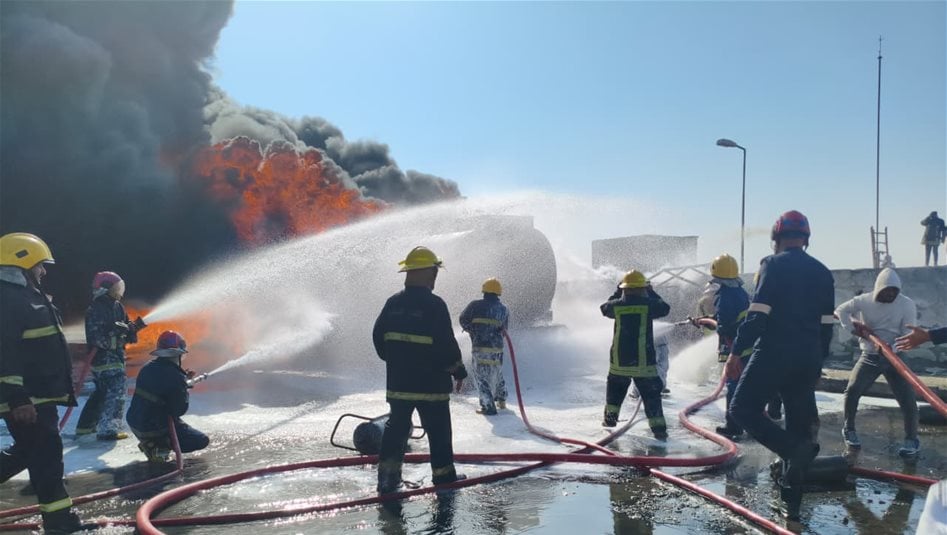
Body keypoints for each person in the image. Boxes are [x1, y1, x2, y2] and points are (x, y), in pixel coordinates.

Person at [726, 210, 835, 521]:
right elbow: (827, 323)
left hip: (774, 351)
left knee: (742, 408)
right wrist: (818, 361)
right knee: (799, 426)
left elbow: (758, 313)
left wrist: (737, 353)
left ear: (776, 238)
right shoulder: (822, 271)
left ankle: (792, 451)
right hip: (809, 355)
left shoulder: (771, 264)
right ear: (806, 239)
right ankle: (793, 501)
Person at [0, 233, 94, 533]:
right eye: (40, 265)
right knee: (47, 459)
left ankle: (60, 520)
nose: (44, 271)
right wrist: (17, 398)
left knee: (32, 454)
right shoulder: (8, 299)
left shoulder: (26, 296)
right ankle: (61, 522)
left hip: (38, 396)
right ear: (22, 262)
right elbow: (5, 352)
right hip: (29, 399)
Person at [373, 246, 468, 494]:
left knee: (396, 430)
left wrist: (397, 361)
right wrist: (458, 370)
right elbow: (446, 343)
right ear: (427, 273)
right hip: (431, 386)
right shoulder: (435, 305)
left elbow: (378, 338)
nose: (435, 278)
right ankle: (444, 478)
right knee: (438, 432)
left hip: (399, 384)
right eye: (434, 272)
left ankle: (388, 480)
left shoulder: (392, 303)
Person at [835, 268, 919, 456]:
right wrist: (852, 329)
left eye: (894, 291)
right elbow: (841, 310)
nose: (890, 294)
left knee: (907, 398)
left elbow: (909, 334)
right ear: (878, 288)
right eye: (886, 290)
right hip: (870, 356)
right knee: (853, 390)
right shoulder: (864, 300)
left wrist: (892, 350)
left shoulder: (906, 305)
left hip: (896, 356)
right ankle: (849, 429)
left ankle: (911, 439)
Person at [600, 270, 671, 440]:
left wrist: (618, 291)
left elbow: (604, 308)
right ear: (643, 288)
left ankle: (610, 421)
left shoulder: (616, 306)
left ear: (624, 289)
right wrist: (651, 290)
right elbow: (665, 308)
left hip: (619, 363)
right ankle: (659, 430)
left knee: (614, 395)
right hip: (643, 364)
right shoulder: (649, 305)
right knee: (652, 397)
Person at [76, 271, 144, 441]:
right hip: (104, 360)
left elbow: (127, 335)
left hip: (116, 357)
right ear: (105, 288)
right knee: (117, 392)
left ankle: (86, 427)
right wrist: (117, 330)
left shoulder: (118, 306)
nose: (119, 291)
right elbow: (96, 338)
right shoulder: (96, 309)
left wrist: (133, 328)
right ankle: (108, 429)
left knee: (101, 393)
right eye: (116, 287)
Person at [126, 330, 209, 462]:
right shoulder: (176, 378)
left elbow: (161, 385)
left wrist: (181, 383)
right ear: (179, 354)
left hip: (135, 422)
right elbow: (178, 410)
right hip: (153, 427)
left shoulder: (148, 367)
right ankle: (158, 445)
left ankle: (152, 444)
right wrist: (183, 389)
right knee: (201, 440)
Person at [696, 254, 752, 438]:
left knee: (734, 386)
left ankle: (734, 426)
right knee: (744, 385)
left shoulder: (724, 295)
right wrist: (710, 320)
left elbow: (725, 324)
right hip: (746, 345)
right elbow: (734, 318)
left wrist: (712, 324)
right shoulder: (741, 293)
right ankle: (747, 421)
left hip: (734, 347)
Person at [459, 277, 510, 415]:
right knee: (497, 372)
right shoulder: (504, 309)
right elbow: (505, 330)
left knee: (481, 376)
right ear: (498, 292)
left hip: (480, 347)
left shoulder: (475, 305)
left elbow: (462, 319)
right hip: (497, 349)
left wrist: (471, 329)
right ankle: (501, 399)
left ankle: (488, 406)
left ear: (484, 290)